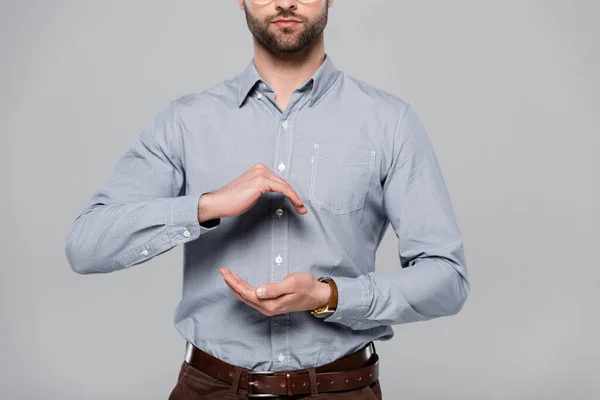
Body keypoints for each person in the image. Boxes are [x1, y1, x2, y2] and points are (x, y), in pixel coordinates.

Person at [65, 0, 470, 398]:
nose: (286, 3)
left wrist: (329, 296)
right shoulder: (185, 122)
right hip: (209, 389)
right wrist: (206, 206)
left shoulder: (390, 123)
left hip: (341, 389)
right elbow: (86, 247)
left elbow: (446, 278)